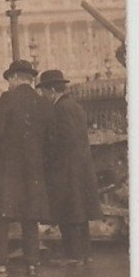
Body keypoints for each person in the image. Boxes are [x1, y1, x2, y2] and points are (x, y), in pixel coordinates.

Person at [0, 59, 54, 277]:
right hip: (33, 170)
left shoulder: (7, 98)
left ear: (15, 78)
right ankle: (32, 262)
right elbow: (49, 139)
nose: (8, 84)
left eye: (9, 79)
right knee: (30, 217)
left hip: (7, 169)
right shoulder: (42, 103)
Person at [36, 69, 102, 265]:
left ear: (51, 90)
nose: (43, 96)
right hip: (78, 168)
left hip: (65, 169)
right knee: (79, 212)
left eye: (44, 91)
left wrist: (46, 155)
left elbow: (63, 141)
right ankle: (84, 254)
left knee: (69, 212)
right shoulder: (74, 106)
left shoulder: (60, 109)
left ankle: (73, 255)